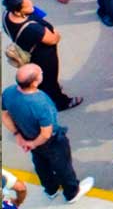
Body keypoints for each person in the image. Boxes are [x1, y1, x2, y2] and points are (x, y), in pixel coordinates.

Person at [1, 64, 94, 203]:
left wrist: (19, 136)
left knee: (41, 164)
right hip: (50, 141)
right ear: (34, 82)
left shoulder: (8, 93)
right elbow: (46, 134)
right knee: (62, 165)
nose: (42, 74)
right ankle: (72, 193)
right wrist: (32, 144)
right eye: (40, 73)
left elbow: (4, 115)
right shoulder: (41, 102)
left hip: (27, 135)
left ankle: (51, 189)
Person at [2, 0, 80, 110]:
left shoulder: (6, 15)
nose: (32, 6)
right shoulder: (33, 29)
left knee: (43, 79)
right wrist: (57, 34)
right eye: (27, 6)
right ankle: (61, 102)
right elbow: (53, 39)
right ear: (18, 12)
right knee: (50, 79)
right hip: (43, 56)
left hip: (28, 52)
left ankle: (46, 91)